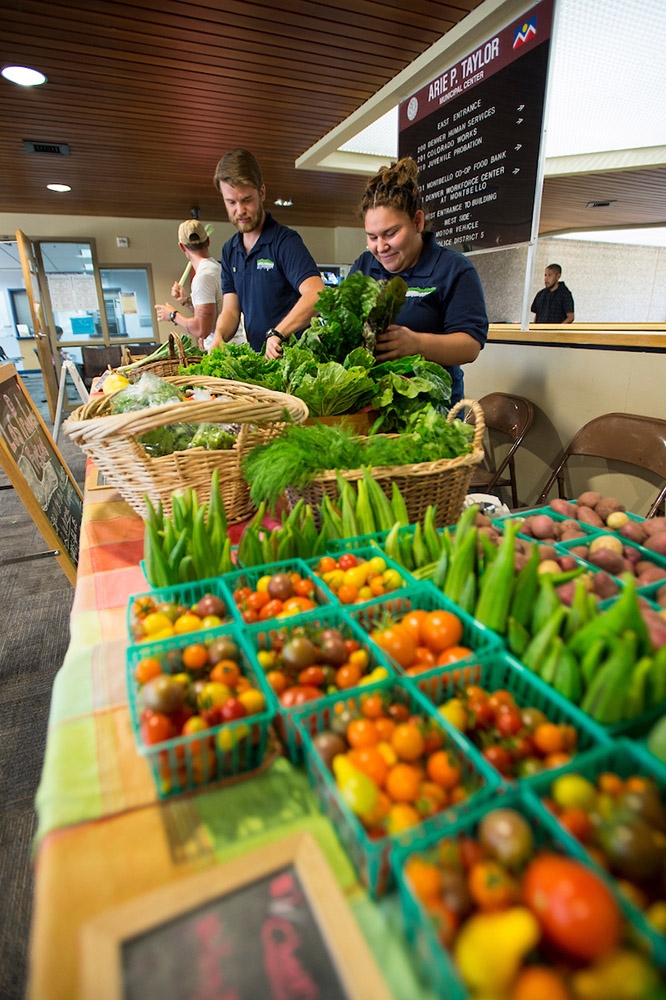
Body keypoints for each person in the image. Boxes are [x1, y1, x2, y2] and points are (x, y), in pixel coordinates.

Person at [348, 157, 488, 406]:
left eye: (391, 233)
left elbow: (470, 345)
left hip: (433, 407)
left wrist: (416, 344)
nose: (381, 247)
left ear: (417, 222)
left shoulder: (454, 269)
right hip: (372, 404)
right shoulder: (364, 266)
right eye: (372, 237)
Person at [209, 148, 324, 359]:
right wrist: (218, 336)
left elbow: (316, 294)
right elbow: (231, 311)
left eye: (246, 200)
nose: (240, 211)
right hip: (259, 362)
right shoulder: (229, 250)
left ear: (262, 192)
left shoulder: (285, 242)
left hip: (294, 360)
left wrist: (278, 332)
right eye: (231, 202)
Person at [154, 220, 246, 349]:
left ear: (181, 246)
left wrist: (172, 315)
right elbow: (212, 315)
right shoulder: (218, 268)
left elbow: (202, 329)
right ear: (208, 241)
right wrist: (185, 302)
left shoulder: (203, 277)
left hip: (224, 352)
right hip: (235, 347)